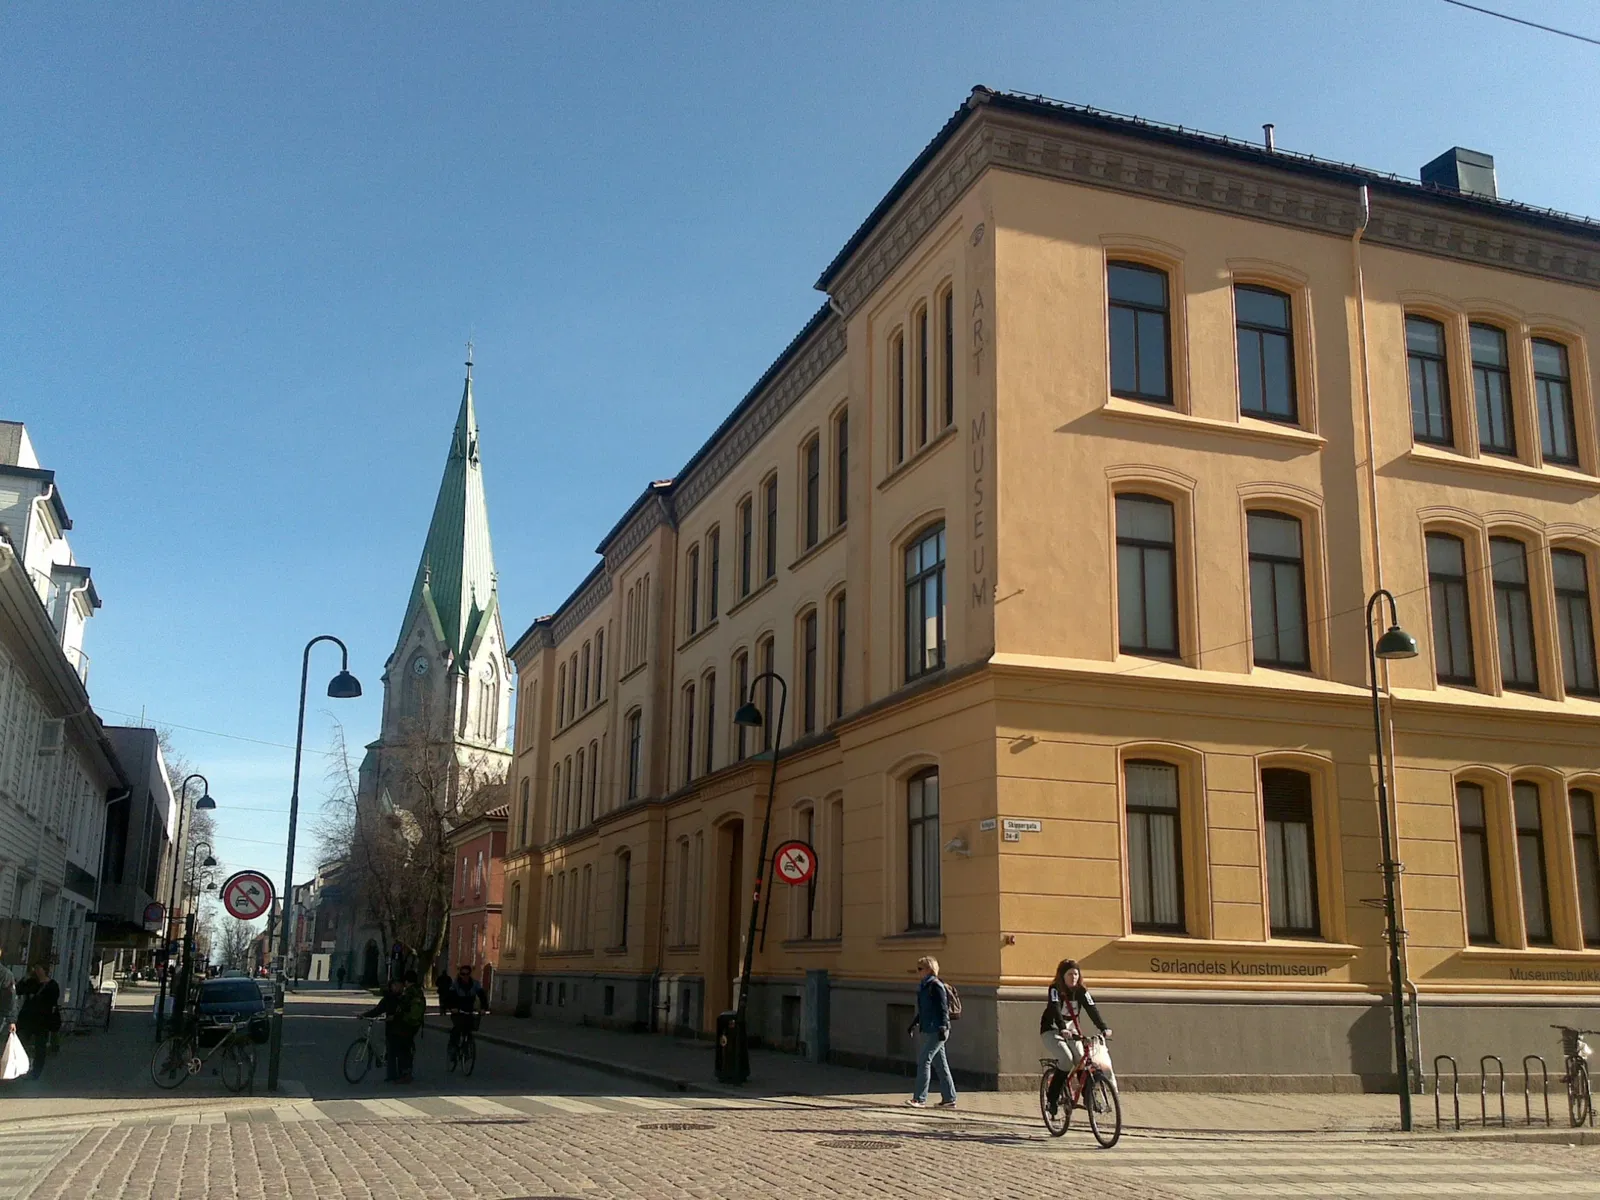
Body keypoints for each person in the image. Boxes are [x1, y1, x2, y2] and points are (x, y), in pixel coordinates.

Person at [1040, 959, 1111, 1115]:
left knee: (1081, 1059)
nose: (1073, 977)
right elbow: (1055, 1008)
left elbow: (1092, 1009)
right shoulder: (1055, 989)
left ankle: (1088, 1097)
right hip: (1051, 1030)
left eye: (1076, 974)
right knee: (1066, 1059)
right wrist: (1062, 1027)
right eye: (1070, 974)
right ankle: (1052, 1098)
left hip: (1072, 1032)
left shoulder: (1081, 991)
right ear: (1062, 975)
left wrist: (1103, 1027)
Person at [905, 955, 956, 1108]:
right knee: (941, 1065)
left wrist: (943, 1027)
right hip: (930, 1028)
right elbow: (925, 1009)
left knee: (924, 1060)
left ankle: (919, 1099)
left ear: (929, 969)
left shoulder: (936, 985)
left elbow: (942, 1008)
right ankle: (949, 1098)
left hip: (938, 1030)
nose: (918, 972)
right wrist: (914, 1023)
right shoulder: (924, 986)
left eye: (920, 969)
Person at [359, 975, 422, 1083]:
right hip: (391, 1028)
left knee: (402, 1051)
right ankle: (391, 1075)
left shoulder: (405, 997)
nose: (397, 987)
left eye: (399, 985)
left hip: (404, 1028)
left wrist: (396, 1017)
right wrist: (364, 1015)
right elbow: (378, 1010)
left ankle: (404, 1074)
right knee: (391, 1051)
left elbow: (406, 1012)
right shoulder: (388, 998)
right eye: (394, 985)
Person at [15, 963, 60, 1080]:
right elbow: (18, 990)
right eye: (35, 969)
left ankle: (36, 1072)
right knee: (20, 1043)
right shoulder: (32, 983)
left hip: (42, 1021)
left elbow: (52, 1002)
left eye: (39, 969)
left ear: (45, 970)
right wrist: (25, 978)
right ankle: (22, 1067)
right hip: (27, 1019)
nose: (37, 971)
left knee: (40, 1047)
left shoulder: (52, 985)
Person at [441, 964, 489, 1063]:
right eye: (463, 974)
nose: (465, 976)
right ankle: (453, 1048)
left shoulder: (475, 984)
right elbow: (449, 997)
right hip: (458, 1011)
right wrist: (451, 1008)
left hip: (469, 1010)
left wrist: (483, 1008)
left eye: (467, 974)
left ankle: (467, 1048)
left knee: (469, 1028)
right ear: (460, 974)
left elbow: (482, 996)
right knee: (458, 1028)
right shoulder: (455, 985)